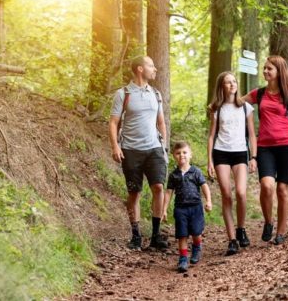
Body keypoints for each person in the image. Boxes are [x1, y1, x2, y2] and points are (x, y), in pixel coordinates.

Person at [243, 55, 288, 245]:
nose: (265, 71)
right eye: (264, 68)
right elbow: (238, 102)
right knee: (267, 186)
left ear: (279, 71)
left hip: (286, 146)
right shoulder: (260, 94)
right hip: (265, 147)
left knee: (282, 190)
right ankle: (268, 222)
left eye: (269, 69)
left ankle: (281, 232)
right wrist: (218, 104)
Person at [109, 55, 169, 250]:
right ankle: (135, 236)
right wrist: (115, 146)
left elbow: (161, 121)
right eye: (151, 65)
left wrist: (164, 147)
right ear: (140, 69)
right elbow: (113, 122)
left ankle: (155, 235)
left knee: (158, 188)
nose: (155, 69)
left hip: (154, 149)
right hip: (131, 150)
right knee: (134, 192)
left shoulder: (156, 94)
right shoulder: (123, 94)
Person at [207, 71, 257, 255]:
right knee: (227, 195)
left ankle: (241, 228)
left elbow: (252, 134)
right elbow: (211, 136)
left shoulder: (246, 108)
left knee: (241, 193)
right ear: (222, 86)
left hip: (240, 153)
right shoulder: (216, 108)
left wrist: (253, 157)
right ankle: (232, 240)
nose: (232, 85)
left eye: (234, 81)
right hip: (221, 153)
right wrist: (210, 161)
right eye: (228, 82)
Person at [162, 141, 212, 272]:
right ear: (174, 156)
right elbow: (168, 192)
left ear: (190, 155)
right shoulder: (173, 175)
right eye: (178, 153)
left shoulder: (196, 172)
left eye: (184, 152)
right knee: (182, 234)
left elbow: (204, 186)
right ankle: (183, 258)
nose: (181, 155)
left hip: (195, 207)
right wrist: (164, 209)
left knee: (196, 232)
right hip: (180, 208)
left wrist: (208, 201)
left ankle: (196, 247)